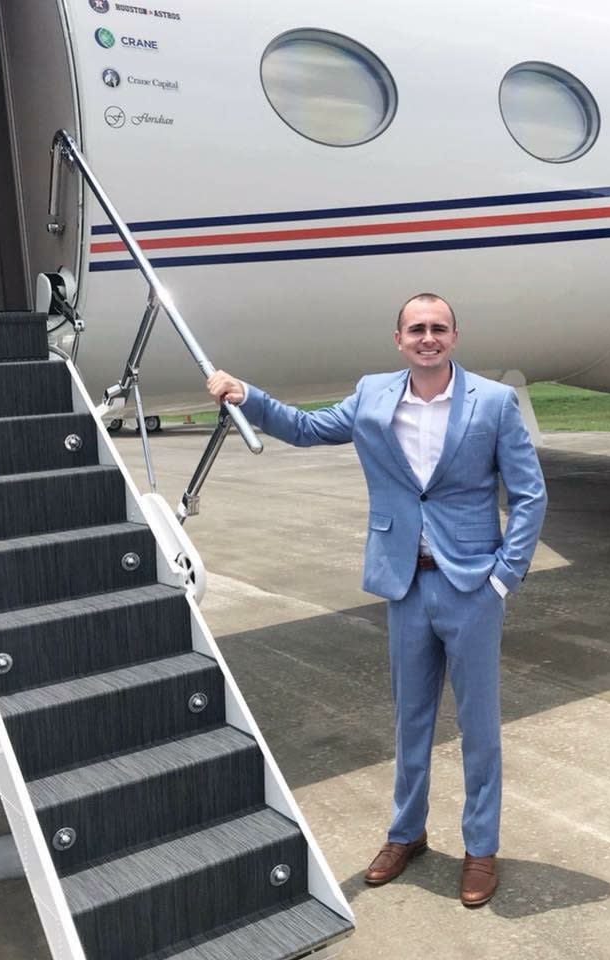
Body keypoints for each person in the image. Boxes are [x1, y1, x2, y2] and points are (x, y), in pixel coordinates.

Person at [207, 293, 547, 906]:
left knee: (478, 729)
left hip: (472, 585)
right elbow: (308, 429)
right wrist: (246, 395)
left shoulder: (492, 403)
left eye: (438, 329)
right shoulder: (372, 394)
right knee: (410, 719)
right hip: (404, 584)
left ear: (454, 336)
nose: (427, 338)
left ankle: (480, 850)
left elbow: (529, 495)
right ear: (398, 339)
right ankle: (406, 834)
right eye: (416, 328)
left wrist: (505, 576)